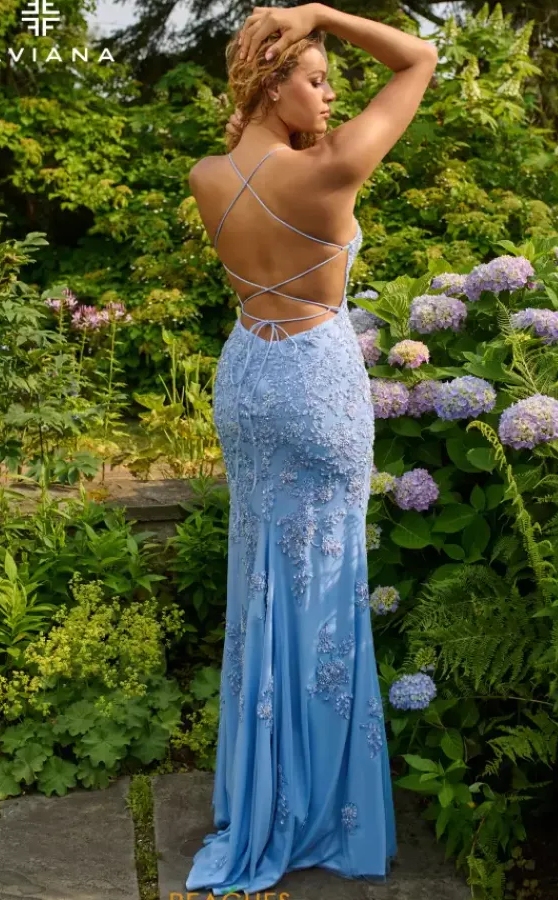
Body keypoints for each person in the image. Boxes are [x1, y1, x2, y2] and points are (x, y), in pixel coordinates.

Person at [185, 4, 437, 894]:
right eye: (318, 79)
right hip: (318, 386)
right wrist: (324, 11)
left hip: (247, 381)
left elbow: (251, 151)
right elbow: (420, 58)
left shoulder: (207, 176)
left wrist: (294, 50)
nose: (331, 98)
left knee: (260, 580)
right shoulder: (331, 171)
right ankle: (325, 809)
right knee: (325, 590)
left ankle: (263, 794)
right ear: (272, 81)